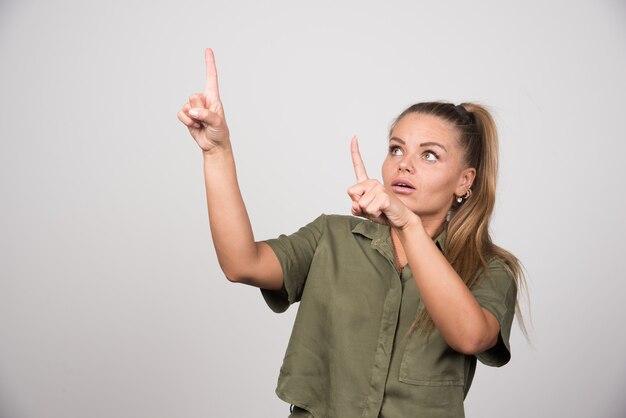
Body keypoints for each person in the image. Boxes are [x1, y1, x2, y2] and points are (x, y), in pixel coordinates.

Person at [177, 49, 525, 418]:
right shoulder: (332, 236)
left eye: (429, 155)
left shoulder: (490, 269)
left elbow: (471, 336)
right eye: (396, 149)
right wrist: (217, 151)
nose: (404, 164)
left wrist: (407, 225)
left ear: (464, 181)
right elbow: (241, 263)